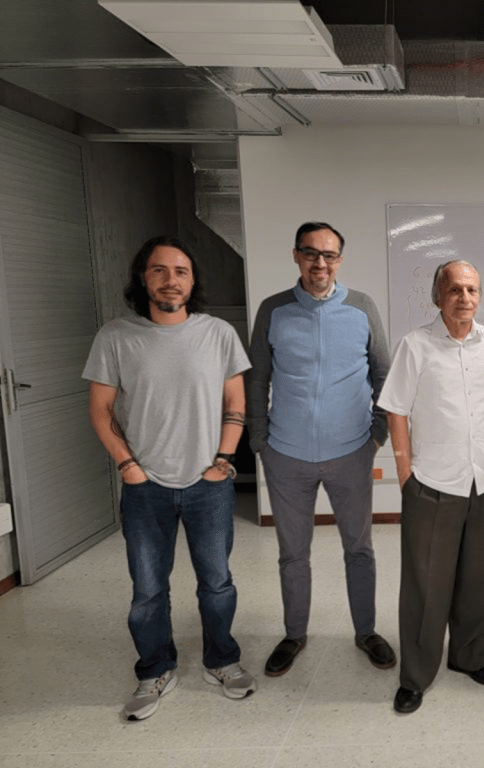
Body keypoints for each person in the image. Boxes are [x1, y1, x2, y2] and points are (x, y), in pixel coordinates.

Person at [83, 235, 255, 721]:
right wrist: (128, 466)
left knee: (217, 582)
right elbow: (100, 410)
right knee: (147, 589)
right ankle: (155, 670)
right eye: (159, 270)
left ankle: (221, 660)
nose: (170, 280)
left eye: (181, 271)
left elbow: (235, 402)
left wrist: (223, 460)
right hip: (145, 488)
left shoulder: (218, 333)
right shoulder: (115, 336)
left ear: (193, 280)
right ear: (143, 278)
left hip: (208, 486)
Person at [247, 221, 394, 677]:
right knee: (293, 553)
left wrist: (377, 435)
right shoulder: (273, 310)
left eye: (329, 255)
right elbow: (257, 378)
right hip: (286, 455)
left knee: (359, 549)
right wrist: (259, 441)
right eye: (310, 253)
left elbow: (384, 375)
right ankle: (294, 634)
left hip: (351, 453)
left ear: (340, 260)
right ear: (296, 255)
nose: (320, 263)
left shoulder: (361, 307)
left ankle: (366, 632)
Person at [379, 261, 484, 715]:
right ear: (438, 297)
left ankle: (469, 657)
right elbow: (396, 410)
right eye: (454, 289)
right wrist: (405, 474)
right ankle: (415, 675)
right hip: (432, 484)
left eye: (472, 290)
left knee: (479, 580)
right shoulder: (415, 346)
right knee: (425, 587)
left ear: (480, 296)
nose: (464, 298)